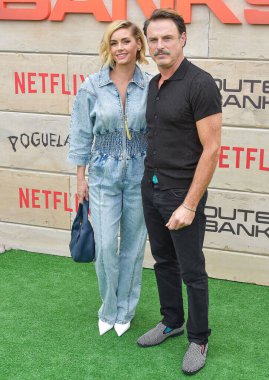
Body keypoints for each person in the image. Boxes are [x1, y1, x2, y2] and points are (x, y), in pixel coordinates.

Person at [137, 9, 222, 375]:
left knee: (192, 270)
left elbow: (212, 148)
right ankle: (172, 321)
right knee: (162, 261)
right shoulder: (154, 85)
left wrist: (189, 203)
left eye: (167, 38)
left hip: (181, 193)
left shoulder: (199, 84)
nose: (160, 45)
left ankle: (199, 337)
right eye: (153, 39)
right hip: (151, 186)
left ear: (183, 38)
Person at [68, 20, 151, 337]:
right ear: (109, 47)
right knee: (104, 246)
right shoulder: (92, 86)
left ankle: (126, 310)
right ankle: (109, 308)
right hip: (102, 174)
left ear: (138, 44)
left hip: (140, 174)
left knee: (133, 246)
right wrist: (80, 178)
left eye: (126, 41)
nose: (120, 48)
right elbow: (79, 134)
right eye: (114, 42)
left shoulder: (151, 85)